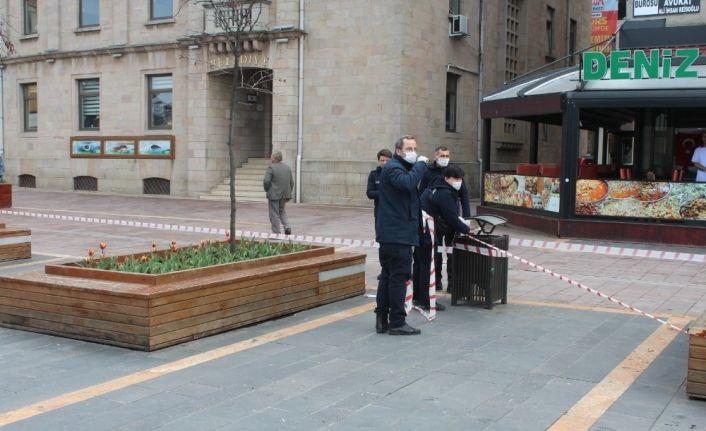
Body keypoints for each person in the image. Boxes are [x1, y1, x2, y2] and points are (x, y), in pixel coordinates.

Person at [375, 135, 428, 335]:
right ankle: (397, 322)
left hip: (394, 234)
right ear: (398, 151)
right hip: (397, 235)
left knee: (388, 277)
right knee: (398, 277)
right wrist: (421, 165)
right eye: (409, 148)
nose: (413, 152)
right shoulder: (394, 168)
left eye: (415, 148)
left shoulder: (398, 167)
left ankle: (382, 319)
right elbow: (407, 183)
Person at [415, 165, 472, 311]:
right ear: (447, 178)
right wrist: (466, 229)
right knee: (426, 265)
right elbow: (451, 217)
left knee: (421, 264)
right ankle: (425, 300)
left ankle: (418, 296)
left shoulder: (438, 187)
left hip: (421, 229)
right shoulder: (444, 193)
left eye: (460, 179)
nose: (459, 182)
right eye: (456, 179)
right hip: (427, 231)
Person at [263, 151, 294, 234]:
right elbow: (291, 182)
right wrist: (288, 192)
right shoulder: (287, 167)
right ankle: (287, 227)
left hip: (274, 194)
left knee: (274, 213)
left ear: (274, 158)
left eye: (272, 156)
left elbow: (266, 181)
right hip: (284, 194)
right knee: (282, 211)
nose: (270, 157)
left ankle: (276, 232)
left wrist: (267, 189)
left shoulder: (271, 167)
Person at [366, 149, 392, 221]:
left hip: (394, 213)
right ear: (378, 161)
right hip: (380, 213)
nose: (385, 162)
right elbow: (369, 193)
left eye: (387, 160)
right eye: (382, 160)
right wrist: (385, 193)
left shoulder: (396, 174)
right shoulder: (374, 174)